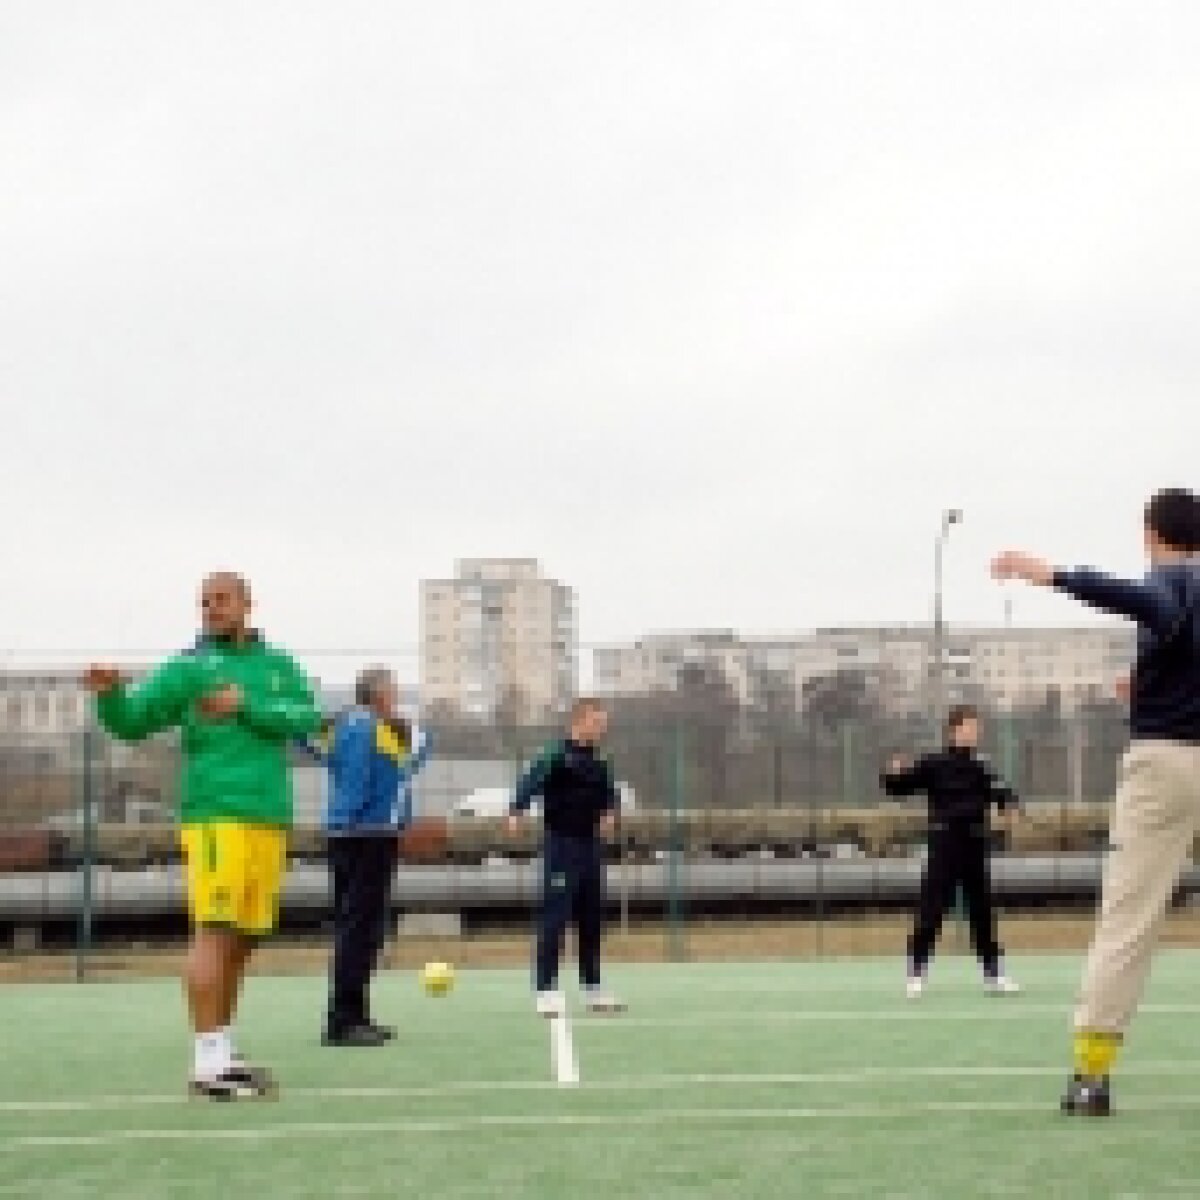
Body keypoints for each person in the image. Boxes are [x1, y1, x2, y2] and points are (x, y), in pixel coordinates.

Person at [993, 486, 1200, 1118]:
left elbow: (1143, 600)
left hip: (1166, 764)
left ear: (1153, 534)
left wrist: (1050, 573)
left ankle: (1091, 1074)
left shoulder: (1169, 583)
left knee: (1129, 919)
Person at [84, 572, 321, 1100]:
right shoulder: (189, 668)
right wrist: (110, 695)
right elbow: (132, 722)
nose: (212, 609)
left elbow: (307, 717)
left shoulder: (278, 664)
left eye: (221, 599)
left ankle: (223, 1053)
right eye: (204, 602)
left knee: (244, 939)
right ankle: (206, 1064)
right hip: (216, 815)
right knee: (213, 930)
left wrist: (247, 707)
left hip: (268, 817)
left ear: (247, 603)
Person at [318, 666, 431, 1047]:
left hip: (344, 834)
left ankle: (354, 1014)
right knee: (361, 930)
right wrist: (406, 727)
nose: (398, 699)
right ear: (380, 696)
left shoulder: (342, 727)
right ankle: (343, 1020)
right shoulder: (380, 730)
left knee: (357, 927)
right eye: (394, 692)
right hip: (370, 834)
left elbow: (311, 741)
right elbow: (417, 752)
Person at [882, 704, 1022, 1000]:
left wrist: (1009, 806)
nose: (975, 732)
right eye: (970, 727)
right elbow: (899, 788)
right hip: (944, 845)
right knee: (931, 911)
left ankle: (994, 975)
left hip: (975, 845)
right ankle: (916, 974)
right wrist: (892, 773)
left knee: (982, 913)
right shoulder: (934, 763)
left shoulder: (983, 766)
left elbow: (1003, 794)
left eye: (977, 727)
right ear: (954, 730)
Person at [507, 698, 624, 1017]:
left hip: (590, 848)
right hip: (561, 847)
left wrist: (610, 815)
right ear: (580, 721)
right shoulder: (554, 753)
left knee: (591, 919)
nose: (603, 728)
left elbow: (609, 795)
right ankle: (545, 989)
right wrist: (516, 811)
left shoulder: (601, 760)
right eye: (598, 722)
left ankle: (594, 989)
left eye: (604, 722)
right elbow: (529, 782)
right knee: (555, 918)